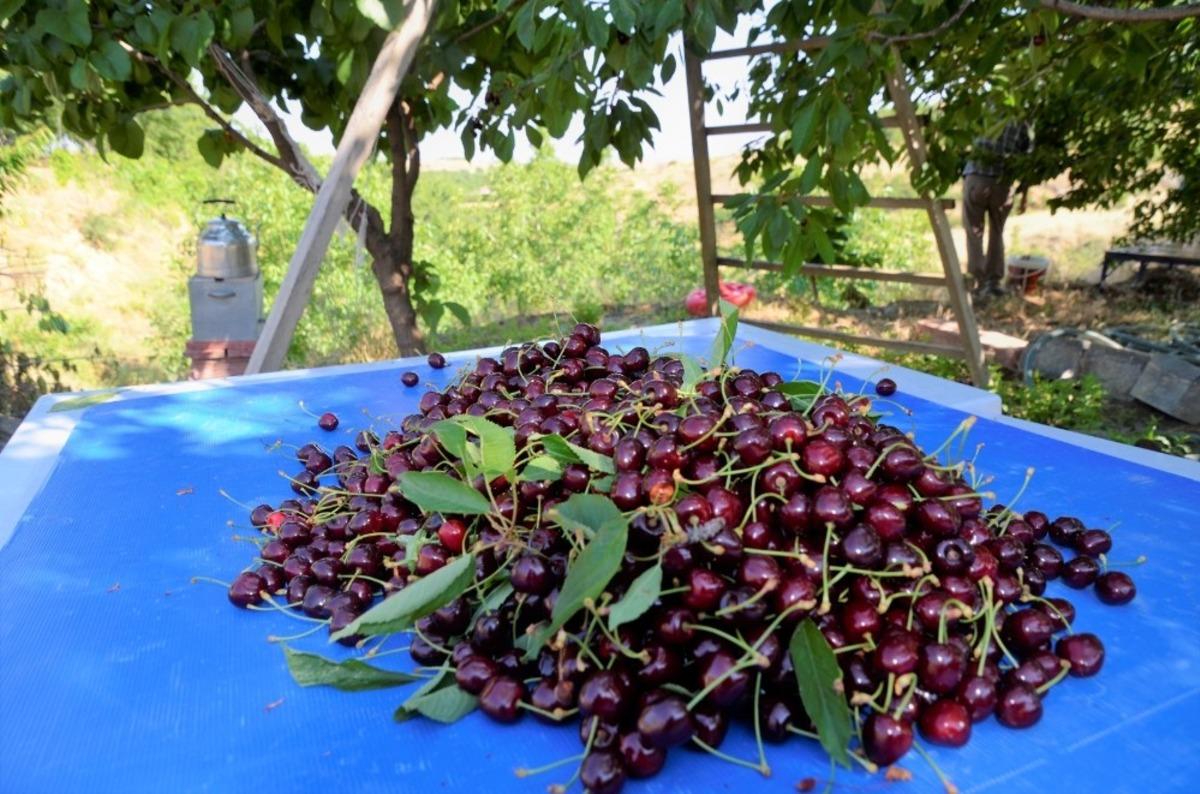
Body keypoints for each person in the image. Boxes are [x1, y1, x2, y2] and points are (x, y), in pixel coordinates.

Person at [962, 121, 1032, 299]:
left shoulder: (985, 110)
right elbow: (1028, 157)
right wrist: (1024, 194)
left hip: (976, 177)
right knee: (997, 232)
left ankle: (977, 281)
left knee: (974, 233)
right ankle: (993, 283)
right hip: (1001, 182)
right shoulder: (1023, 121)